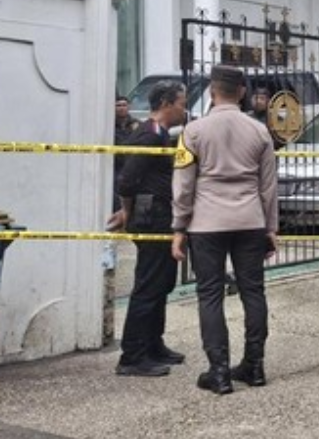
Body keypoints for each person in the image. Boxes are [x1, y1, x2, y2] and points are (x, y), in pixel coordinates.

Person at [172, 65, 278, 396]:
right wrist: (271, 227)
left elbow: (183, 183)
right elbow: (269, 186)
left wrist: (179, 225)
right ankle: (255, 365)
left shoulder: (192, 131)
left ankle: (219, 371)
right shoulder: (260, 132)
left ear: (212, 91)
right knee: (253, 291)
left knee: (210, 294)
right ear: (243, 92)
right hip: (249, 220)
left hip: (207, 222)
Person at [109, 81, 188, 377]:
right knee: (148, 285)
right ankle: (133, 355)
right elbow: (128, 180)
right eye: (181, 102)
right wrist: (126, 211)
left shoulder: (159, 134)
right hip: (152, 215)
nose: (184, 108)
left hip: (161, 214)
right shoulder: (149, 135)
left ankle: (154, 344)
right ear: (167, 103)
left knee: (162, 284)